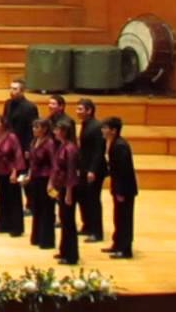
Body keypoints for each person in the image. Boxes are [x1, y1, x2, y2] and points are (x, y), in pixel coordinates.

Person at [101, 117, 137, 259]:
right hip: (118, 187)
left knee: (125, 219)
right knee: (118, 217)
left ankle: (125, 249)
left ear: (114, 130)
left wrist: (121, 191)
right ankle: (117, 244)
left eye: (105, 128)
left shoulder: (120, 146)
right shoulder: (114, 143)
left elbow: (123, 170)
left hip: (125, 189)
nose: (102, 130)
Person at [0, 115, 26, 237]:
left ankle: (15, 227)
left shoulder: (12, 137)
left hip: (11, 172)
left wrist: (15, 172)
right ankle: (3, 224)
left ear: (3, 124)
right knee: (2, 199)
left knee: (13, 200)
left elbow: (18, 155)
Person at [76, 98, 106, 243]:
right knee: (83, 198)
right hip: (84, 167)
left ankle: (96, 232)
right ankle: (87, 225)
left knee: (93, 200)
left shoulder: (96, 126)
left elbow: (98, 151)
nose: (77, 111)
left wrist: (92, 170)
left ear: (89, 110)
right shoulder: (86, 124)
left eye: (81, 109)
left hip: (93, 170)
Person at [51, 119, 79, 265]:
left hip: (69, 189)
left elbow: (71, 172)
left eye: (56, 130)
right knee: (63, 218)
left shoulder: (70, 149)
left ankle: (71, 255)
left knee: (68, 221)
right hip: (62, 187)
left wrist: (68, 192)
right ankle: (64, 250)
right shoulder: (63, 146)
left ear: (64, 131)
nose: (54, 132)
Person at [26, 119, 57, 250]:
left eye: (37, 127)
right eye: (33, 127)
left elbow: (54, 165)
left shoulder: (49, 143)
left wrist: (51, 182)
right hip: (35, 179)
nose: (34, 129)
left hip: (46, 179)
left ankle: (47, 240)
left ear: (44, 129)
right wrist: (28, 175)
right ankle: (37, 237)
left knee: (47, 210)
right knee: (36, 208)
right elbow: (32, 162)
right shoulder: (34, 141)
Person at [3, 80, 39, 152]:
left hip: (21, 144)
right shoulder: (7, 103)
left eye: (15, 89)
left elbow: (31, 129)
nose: (11, 91)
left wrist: (27, 148)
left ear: (22, 91)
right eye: (11, 88)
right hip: (8, 143)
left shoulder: (30, 107)